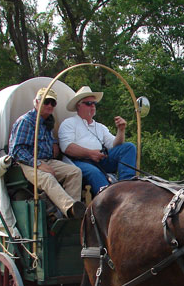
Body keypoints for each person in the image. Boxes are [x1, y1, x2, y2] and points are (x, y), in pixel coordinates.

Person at [9, 87, 86, 218]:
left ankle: (71, 214)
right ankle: (69, 207)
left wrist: (54, 143)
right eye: (46, 102)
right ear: (37, 102)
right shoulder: (26, 121)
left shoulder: (47, 123)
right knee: (47, 178)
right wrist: (38, 164)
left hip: (47, 160)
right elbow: (17, 150)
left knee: (75, 172)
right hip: (27, 162)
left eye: (53, 103)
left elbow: (48, 140)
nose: (50, 105)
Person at [58, 86, 137, 195]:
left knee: (128, 147)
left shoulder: (100, 127)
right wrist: (90, 154)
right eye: (88, 103)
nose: (93, 106)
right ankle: (110, 199)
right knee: (94, 172)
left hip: (100, 160)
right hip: (79, 162)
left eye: (94, 103)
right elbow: (67, 147)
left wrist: (121, 130)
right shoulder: (69, 123)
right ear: (79, 105)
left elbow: (114, 144)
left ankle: (127, 187)